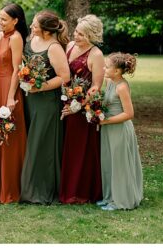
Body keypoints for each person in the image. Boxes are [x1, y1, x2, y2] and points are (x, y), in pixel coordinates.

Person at [20, 11, 70, 205]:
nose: (32, 26)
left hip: (47, 101)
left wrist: (39, 86)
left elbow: (64, 76)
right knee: (31, 141)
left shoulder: (54, 47)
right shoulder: (31, 41)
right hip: (30, 100)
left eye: (35, 24)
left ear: (46, 30)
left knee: (41, 144)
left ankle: (40, 191)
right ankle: (29, 187)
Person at [60, 14, 104, 205]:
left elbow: (96, 88)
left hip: (83, 110)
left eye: (82, 35)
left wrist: (77, 106)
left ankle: (80, 192)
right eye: (77, 32)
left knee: (80, 151)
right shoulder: (69, 46)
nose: (77, 37)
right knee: (65, 148)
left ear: (92, 36)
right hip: (64, 103)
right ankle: (64, 188)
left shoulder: (96, 55)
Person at [99, 52, 143, 211]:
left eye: (107, 66)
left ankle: (122, 201)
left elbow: (129, 114)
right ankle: (110, 197)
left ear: (117, 71)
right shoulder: (110, 81)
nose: (104, 68)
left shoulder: (122, 87)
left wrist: (106, 121)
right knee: (109, 163)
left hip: (119, 129)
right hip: (108, 128)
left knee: (119, 164)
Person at [0, 4, 28, 204]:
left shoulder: (16, 38)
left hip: (9, 88)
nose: (0, 22)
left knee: (11, 138)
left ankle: (11, 188)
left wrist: (10, 97)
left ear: (16, 21)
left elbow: (17, 69)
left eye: (4, 19)